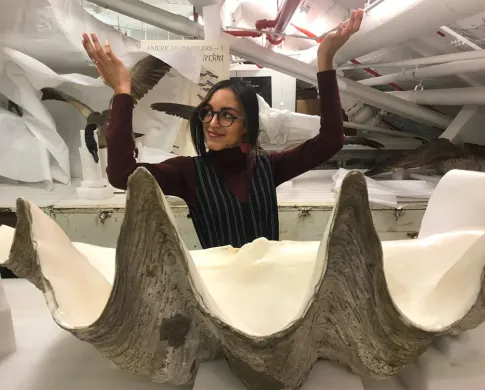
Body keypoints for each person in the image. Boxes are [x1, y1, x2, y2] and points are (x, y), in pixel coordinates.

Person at [81, 9, 364, 249]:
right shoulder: (188, 173)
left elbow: (330, 139)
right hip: (219, 296)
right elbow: (122, 176)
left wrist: (325, 59)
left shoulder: (268, 168)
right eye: (209, 113)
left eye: (227, 115)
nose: (213, 123)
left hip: (269, 291)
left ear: (247, 127)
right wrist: (122, 93)